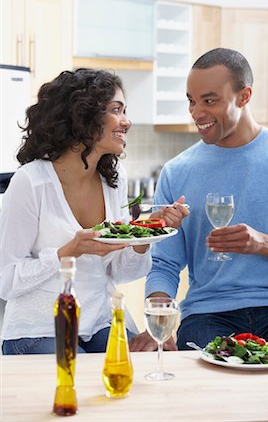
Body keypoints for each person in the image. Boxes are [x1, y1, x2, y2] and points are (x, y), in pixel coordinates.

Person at [0, 68, 188, 355]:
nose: (127, 122)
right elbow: (6, 280)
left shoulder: (112, 179)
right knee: (82, 375)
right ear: (83, 116)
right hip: (39, 326)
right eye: (117, 110)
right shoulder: (31, 182)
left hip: (100, 321)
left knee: (148, 361)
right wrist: (69, 251)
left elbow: (119, 271)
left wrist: (146, 235)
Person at [129, 48, 268, 352]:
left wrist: (261, 244)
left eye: (209, 101)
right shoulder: (177, 172)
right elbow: (165, 264)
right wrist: (160, 320)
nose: (196, 113)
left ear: (244, 96)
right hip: (209, 314)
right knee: (207, 377)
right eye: (191, 101)